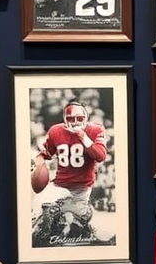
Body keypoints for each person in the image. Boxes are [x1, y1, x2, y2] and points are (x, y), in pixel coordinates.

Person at [31, 98, 109, 245]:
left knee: (72, 222)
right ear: (64, 119)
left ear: (86, 118)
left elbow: (100, 156)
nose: (75, 122)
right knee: (39, 209)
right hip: (60, 184)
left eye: (79, 118)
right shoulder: (56, 131)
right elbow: (44, 153)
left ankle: (85, 212)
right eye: (71, 119)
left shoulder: (95, 130)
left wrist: (84, 139)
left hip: (81, 188)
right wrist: (39, 163)